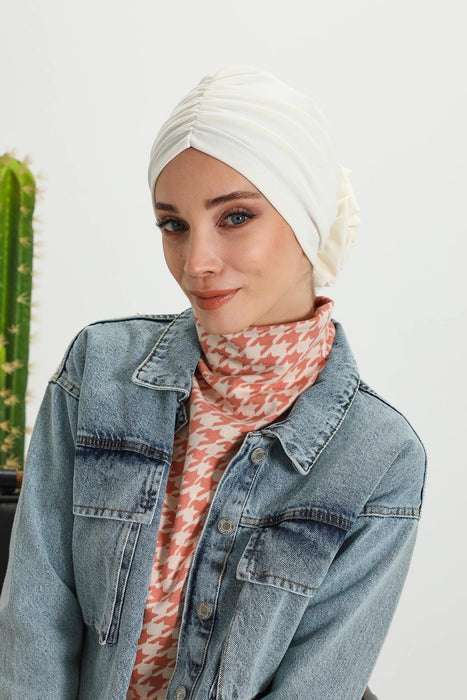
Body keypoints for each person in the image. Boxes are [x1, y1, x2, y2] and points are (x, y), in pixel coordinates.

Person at [0, 65, 426, 700]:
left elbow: (318, 684)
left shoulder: (381, 456)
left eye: (235, 217)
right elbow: (36, 624)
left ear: (308, 218)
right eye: (173, 224)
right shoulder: (99, 369)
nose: (196, 262)